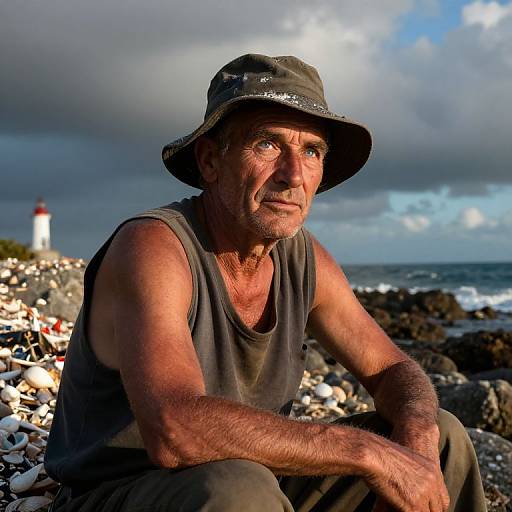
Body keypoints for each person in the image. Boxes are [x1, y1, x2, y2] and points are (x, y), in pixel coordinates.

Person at [46, 54, 487, 512]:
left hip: (259, 484)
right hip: (126, 492)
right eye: (268, 145)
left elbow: (392, 370)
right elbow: (173, 429)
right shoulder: (155, 246)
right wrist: (368, 453)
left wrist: (415, 432)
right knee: (239, 486)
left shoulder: (304, 258)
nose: (293, 174)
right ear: (211, 160)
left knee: (441, 438)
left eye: (312, 151)